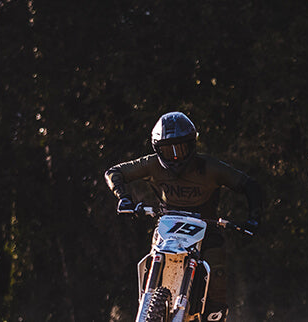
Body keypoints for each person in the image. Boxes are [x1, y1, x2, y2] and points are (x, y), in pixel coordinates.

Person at [105, 111, 263, 320]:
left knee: (216, 272)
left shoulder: (210, 167)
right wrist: (123, 197)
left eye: (180, 148)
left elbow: (249, 185)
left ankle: (214, 315)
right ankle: (148, 303)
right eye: (167, 151)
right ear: (157, 150)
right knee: (150, 263)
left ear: (192, 144)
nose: (175, 157)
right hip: (167, 229)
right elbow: (114, 172)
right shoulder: (151, 164)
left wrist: (253, 218)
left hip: (207, 231)